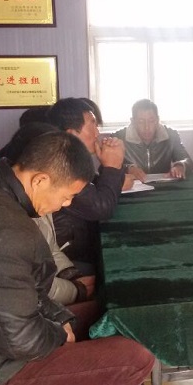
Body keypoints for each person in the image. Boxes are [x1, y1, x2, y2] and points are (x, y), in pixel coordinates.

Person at [0, 132, 154, 385]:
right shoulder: (2, 234)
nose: (66, 204)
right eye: (68, 195)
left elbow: (28, 291)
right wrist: (59, 333)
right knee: (136, 358)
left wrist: (58, 317)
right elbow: (23, 341)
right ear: (40, 180)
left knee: (113, 314)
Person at [0, 122, 94, 306]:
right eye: (67, 197)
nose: (67, 203)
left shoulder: (35, 195)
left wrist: (70, 275)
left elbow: (50, 247)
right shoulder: (7, 219)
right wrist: (77, 291)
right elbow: (33, 285)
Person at [46, 97, 131, 273]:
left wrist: (111, 168)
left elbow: (92, 189)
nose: (97, 133)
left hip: (79, 245)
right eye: (92, 125)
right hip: (70, 257)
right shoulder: (60, 167)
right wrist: (112, 168)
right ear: (72, 134)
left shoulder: (69, 157)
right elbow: (101, 208)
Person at [113, 98, 193, 181]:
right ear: (133, 121)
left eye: (151, 121)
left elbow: (187, 161)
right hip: (132, 186)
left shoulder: (170, 135)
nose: (147, 127)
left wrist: (180, 166)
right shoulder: (119, 138)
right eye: (141, 121)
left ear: (157, 120)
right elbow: (107, 169)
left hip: (163, 185)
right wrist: (128, 169)